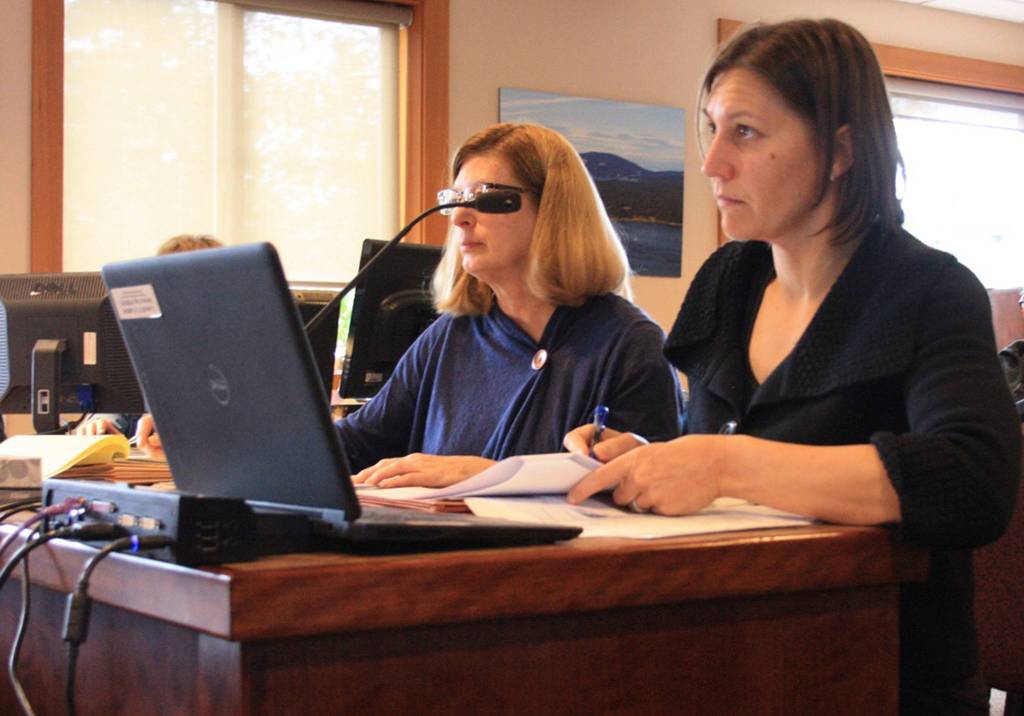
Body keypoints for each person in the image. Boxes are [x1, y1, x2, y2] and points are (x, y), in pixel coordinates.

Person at [565, 19, 1020, 715]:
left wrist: (723, 464)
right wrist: (655, 461)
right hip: (725, 657)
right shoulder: (729, 280)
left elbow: (972, 481)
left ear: (841, 151)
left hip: (881, 676)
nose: (713, 163)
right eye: (712, 129)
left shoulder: (930, 289)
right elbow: (736, 461)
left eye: (745, 132)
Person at [346, 122, 683, 488]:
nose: (459, 217)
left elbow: (646, 492)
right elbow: (359, 444)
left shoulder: (631, 346)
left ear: (552, 210)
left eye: (484, 197)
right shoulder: (449, 335)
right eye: (455, 199)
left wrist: (489, 476)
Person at [76, 234, 224, 446]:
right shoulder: (142, 348)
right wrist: (100, 429)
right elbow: (114, 411)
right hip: (143, 464)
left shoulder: (240, 360)